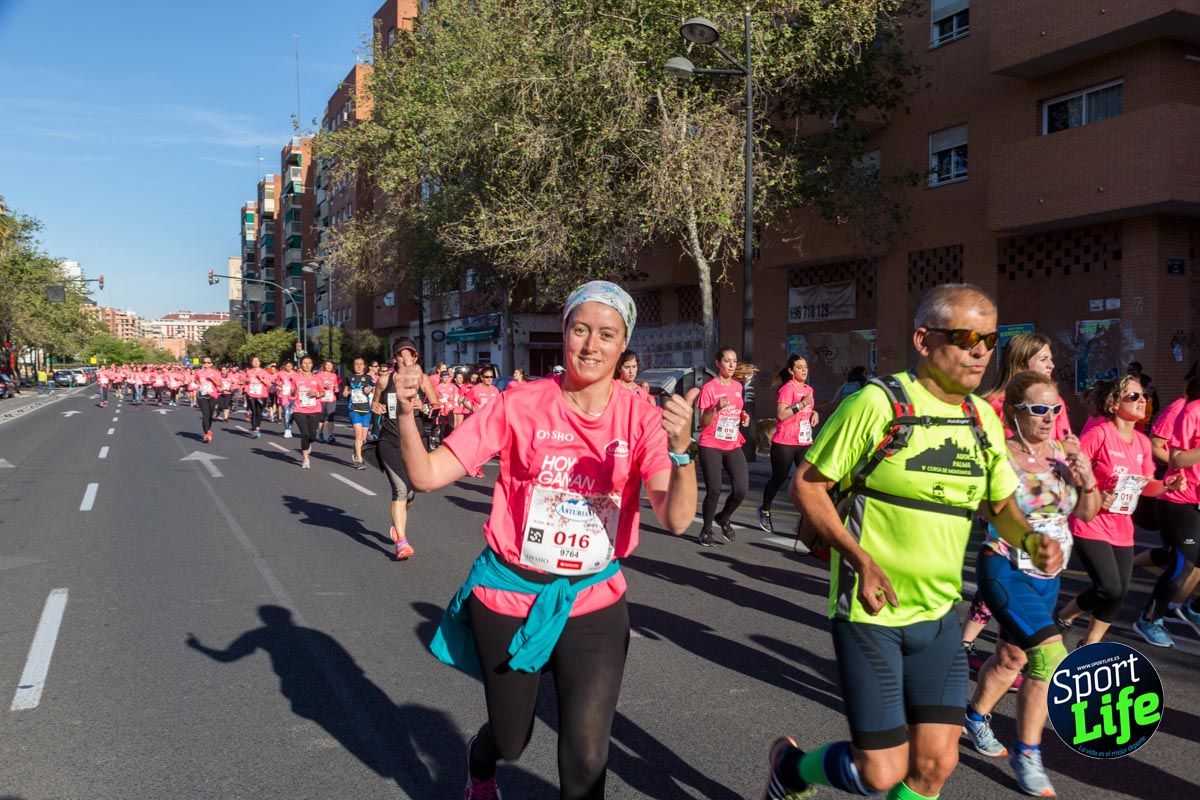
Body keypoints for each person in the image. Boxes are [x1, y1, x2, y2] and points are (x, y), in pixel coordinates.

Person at [394, 281, 697, 800]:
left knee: (587, 756)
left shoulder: (640, 417)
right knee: (512, 740)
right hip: (510, 593)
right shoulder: (520, 404)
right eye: (581, 329)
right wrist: (404, 413)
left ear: (623, 344)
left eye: (607, 334)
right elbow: (424, 476)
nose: (591, 345)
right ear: (564, 333)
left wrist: (682, 452)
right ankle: (480, 760)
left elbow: (675, 518)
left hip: (592, 598)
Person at [764, 284, 1062, 800]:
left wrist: (1030, 538)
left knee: (936, 765)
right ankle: (791, 769)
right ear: (924, 340)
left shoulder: (982, 418)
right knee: (880, 772)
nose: (979, 351)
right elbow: (806, 485)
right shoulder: (877, 402)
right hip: (870, 614)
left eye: (990, 340)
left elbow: (998, 507)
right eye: (965, 337)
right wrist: (857, 557)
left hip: (940, 614)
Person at [960, 371, 1100, 798]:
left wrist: (1086, 474)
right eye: (1038, 409)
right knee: (1048, 658)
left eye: (1054, 409)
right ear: (1016, 412)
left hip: (1048, 577)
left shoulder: (1063, 453)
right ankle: (1029, 753)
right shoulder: (1000, 454)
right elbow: (984, 509)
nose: (1048, 417)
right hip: (1004, 567)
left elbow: (1089, 513)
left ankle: (975, 715)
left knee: (1011, 657)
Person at [961, 331, 1074, 671]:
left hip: (1047, 502)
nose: (1052, 364)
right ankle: (983, 645)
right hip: (1007, 498)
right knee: (1007, 566)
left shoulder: (1056, 402)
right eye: (1044, 358)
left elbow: (1063, 440)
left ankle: (1007, 656)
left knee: (1027, 576)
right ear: (1023, 362)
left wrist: (1070, 455)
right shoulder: (991, 404)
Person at [1055, 376, 1185, 647]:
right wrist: (1094, 493)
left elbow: (1146, 485)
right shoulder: (1099, 433)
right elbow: (1072, 472)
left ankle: (1088, 645)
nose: (1142, 401)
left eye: (1144, 397)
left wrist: (1166, 485)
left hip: (1122, 528)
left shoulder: (1140, 442)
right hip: (1090, 523)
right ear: (1114, 404)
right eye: (1134, 396)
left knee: (1119, 593)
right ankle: (1067, 616)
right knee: (1109, 587)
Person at [1135, 374, 1200, 647]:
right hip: (1181, 500)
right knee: (1182, 564)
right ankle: (1149, 619)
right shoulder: (1191, 410)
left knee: (1187, 561)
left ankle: (1191, 608)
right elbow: (1176, 457)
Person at [370, 339, 437, 560]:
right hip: (389, 441)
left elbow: (437, 406)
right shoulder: (384, 380)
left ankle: (398, 523)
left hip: (415, 444)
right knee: (399, 490)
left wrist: (425, 406)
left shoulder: (423, 379)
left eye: (411, 355)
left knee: (410, 492)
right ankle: (401, 541)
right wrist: (376, 407)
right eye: (401, 355)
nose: (406, 359)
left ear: (416, 358)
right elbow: (375, 404)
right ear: (394, 358)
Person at [696, 346, 750, 547]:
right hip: (711, 443)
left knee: (742, 489)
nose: (731, 365)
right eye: (727, 361)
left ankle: (724, 517)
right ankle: (707, 530)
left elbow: (737, 411)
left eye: (734, 361)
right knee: (715, 489)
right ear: (718, 363)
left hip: (732, 443)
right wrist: (716, 408)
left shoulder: (738, 387)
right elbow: (703, 422)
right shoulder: (709, 388)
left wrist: (743, 417)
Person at [758, 355, 818, 534]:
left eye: (805, 367)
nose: (804, 370)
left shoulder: (809, 389)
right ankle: (765, 510)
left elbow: (807, 409)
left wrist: (813, 413)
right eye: (800, 367)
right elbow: (782, 415)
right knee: (779, 478)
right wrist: (801, 404)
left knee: (808, 480)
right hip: (785, 442)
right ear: (791, 371)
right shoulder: (787, 389)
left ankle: (811, 517)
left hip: (804, 441)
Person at [343, 357, 375, 470]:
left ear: (364, 366)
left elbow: (376, 390)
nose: (359, 366)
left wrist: (370, 389)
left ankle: (356, 451)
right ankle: (360, 461)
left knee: (364, 438)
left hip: (366, 410)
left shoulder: (368, 378)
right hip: (354, 409)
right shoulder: (349, 377)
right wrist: (348, 392)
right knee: (359, 435)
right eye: (356, 364)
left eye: (361, 364)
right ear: (353, 366)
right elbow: (344, 392)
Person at [291, 356, 323, 468]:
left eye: (309, 363)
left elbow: (322, 392)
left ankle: (308, 443)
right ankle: (306, 459)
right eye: (304, 363)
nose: (307, 365)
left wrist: (317, 394)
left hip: (315, 409)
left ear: (312, 365)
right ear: (301, 364)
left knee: (312, 436)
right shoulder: (296, 378)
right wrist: (294, 391)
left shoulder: (317, 378)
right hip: (299, 409)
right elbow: (291, 392)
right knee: (304, 434)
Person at [194, 358, 223, 443]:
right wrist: (198, 383)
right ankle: (206, 433)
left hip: (212, 396)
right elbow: (196, 380)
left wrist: (212, 379)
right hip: (202, 396)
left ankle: (208, 430)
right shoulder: (199, 372)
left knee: (210, 415)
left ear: (211, 363)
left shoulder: (215, 373)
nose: (206, 363)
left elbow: (220, 384)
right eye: (204, 362)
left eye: (208, 362)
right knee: (205, 415)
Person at [243, 357, 271, 439]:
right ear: (251, 363)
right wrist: (247, 381)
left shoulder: (264, 372)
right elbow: (245, 381)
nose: (255, 362)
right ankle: (255, 430)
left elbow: (268, 384)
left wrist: (261, 378)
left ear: (260, 362)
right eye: (253, 361)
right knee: (254, 412)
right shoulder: (248, 372)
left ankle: (257, 427)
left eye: (257, 361)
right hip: (251, 394)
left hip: (262, 395)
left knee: (259, 413)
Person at [316, 360, 340, 444]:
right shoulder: (319, 374)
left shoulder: (334, 375)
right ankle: (320, 433)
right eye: (327, 365)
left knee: (331, 416)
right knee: (321, 417)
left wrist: (337, 389)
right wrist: (323, 386)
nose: (329, 367)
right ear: (324, 366)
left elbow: (336, 386)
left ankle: (330, 435)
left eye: (331, 365)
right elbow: (315, 385)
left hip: (331, 399)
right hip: (322, 399)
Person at [276, 361, 297, 439]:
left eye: (290, 366)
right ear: (285, 366)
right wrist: (279, 384)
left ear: (292, 366)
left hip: (293, 396)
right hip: (284, 395)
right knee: (286, 412)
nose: (288, 367)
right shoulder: (281, 373)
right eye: (287, 366)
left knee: (291, 413)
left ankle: (290, 427)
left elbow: (298, 384)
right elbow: (277, 381)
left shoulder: (296, 374)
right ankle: (287, 429)